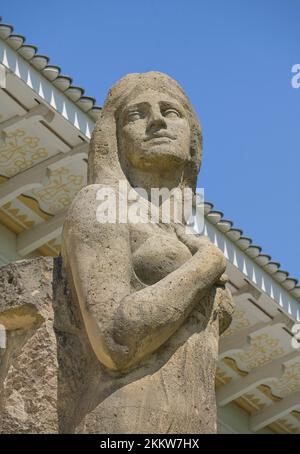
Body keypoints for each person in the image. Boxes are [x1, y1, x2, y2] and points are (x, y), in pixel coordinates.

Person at [61, 72, 233, 434]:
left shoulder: (185, 235)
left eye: (171, 111)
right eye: (137, 114)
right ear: (116, 138)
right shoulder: (99, 205)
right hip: (122, 422)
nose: (157, 120)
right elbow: (115, 341)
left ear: (193, 141)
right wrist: (206, 265)